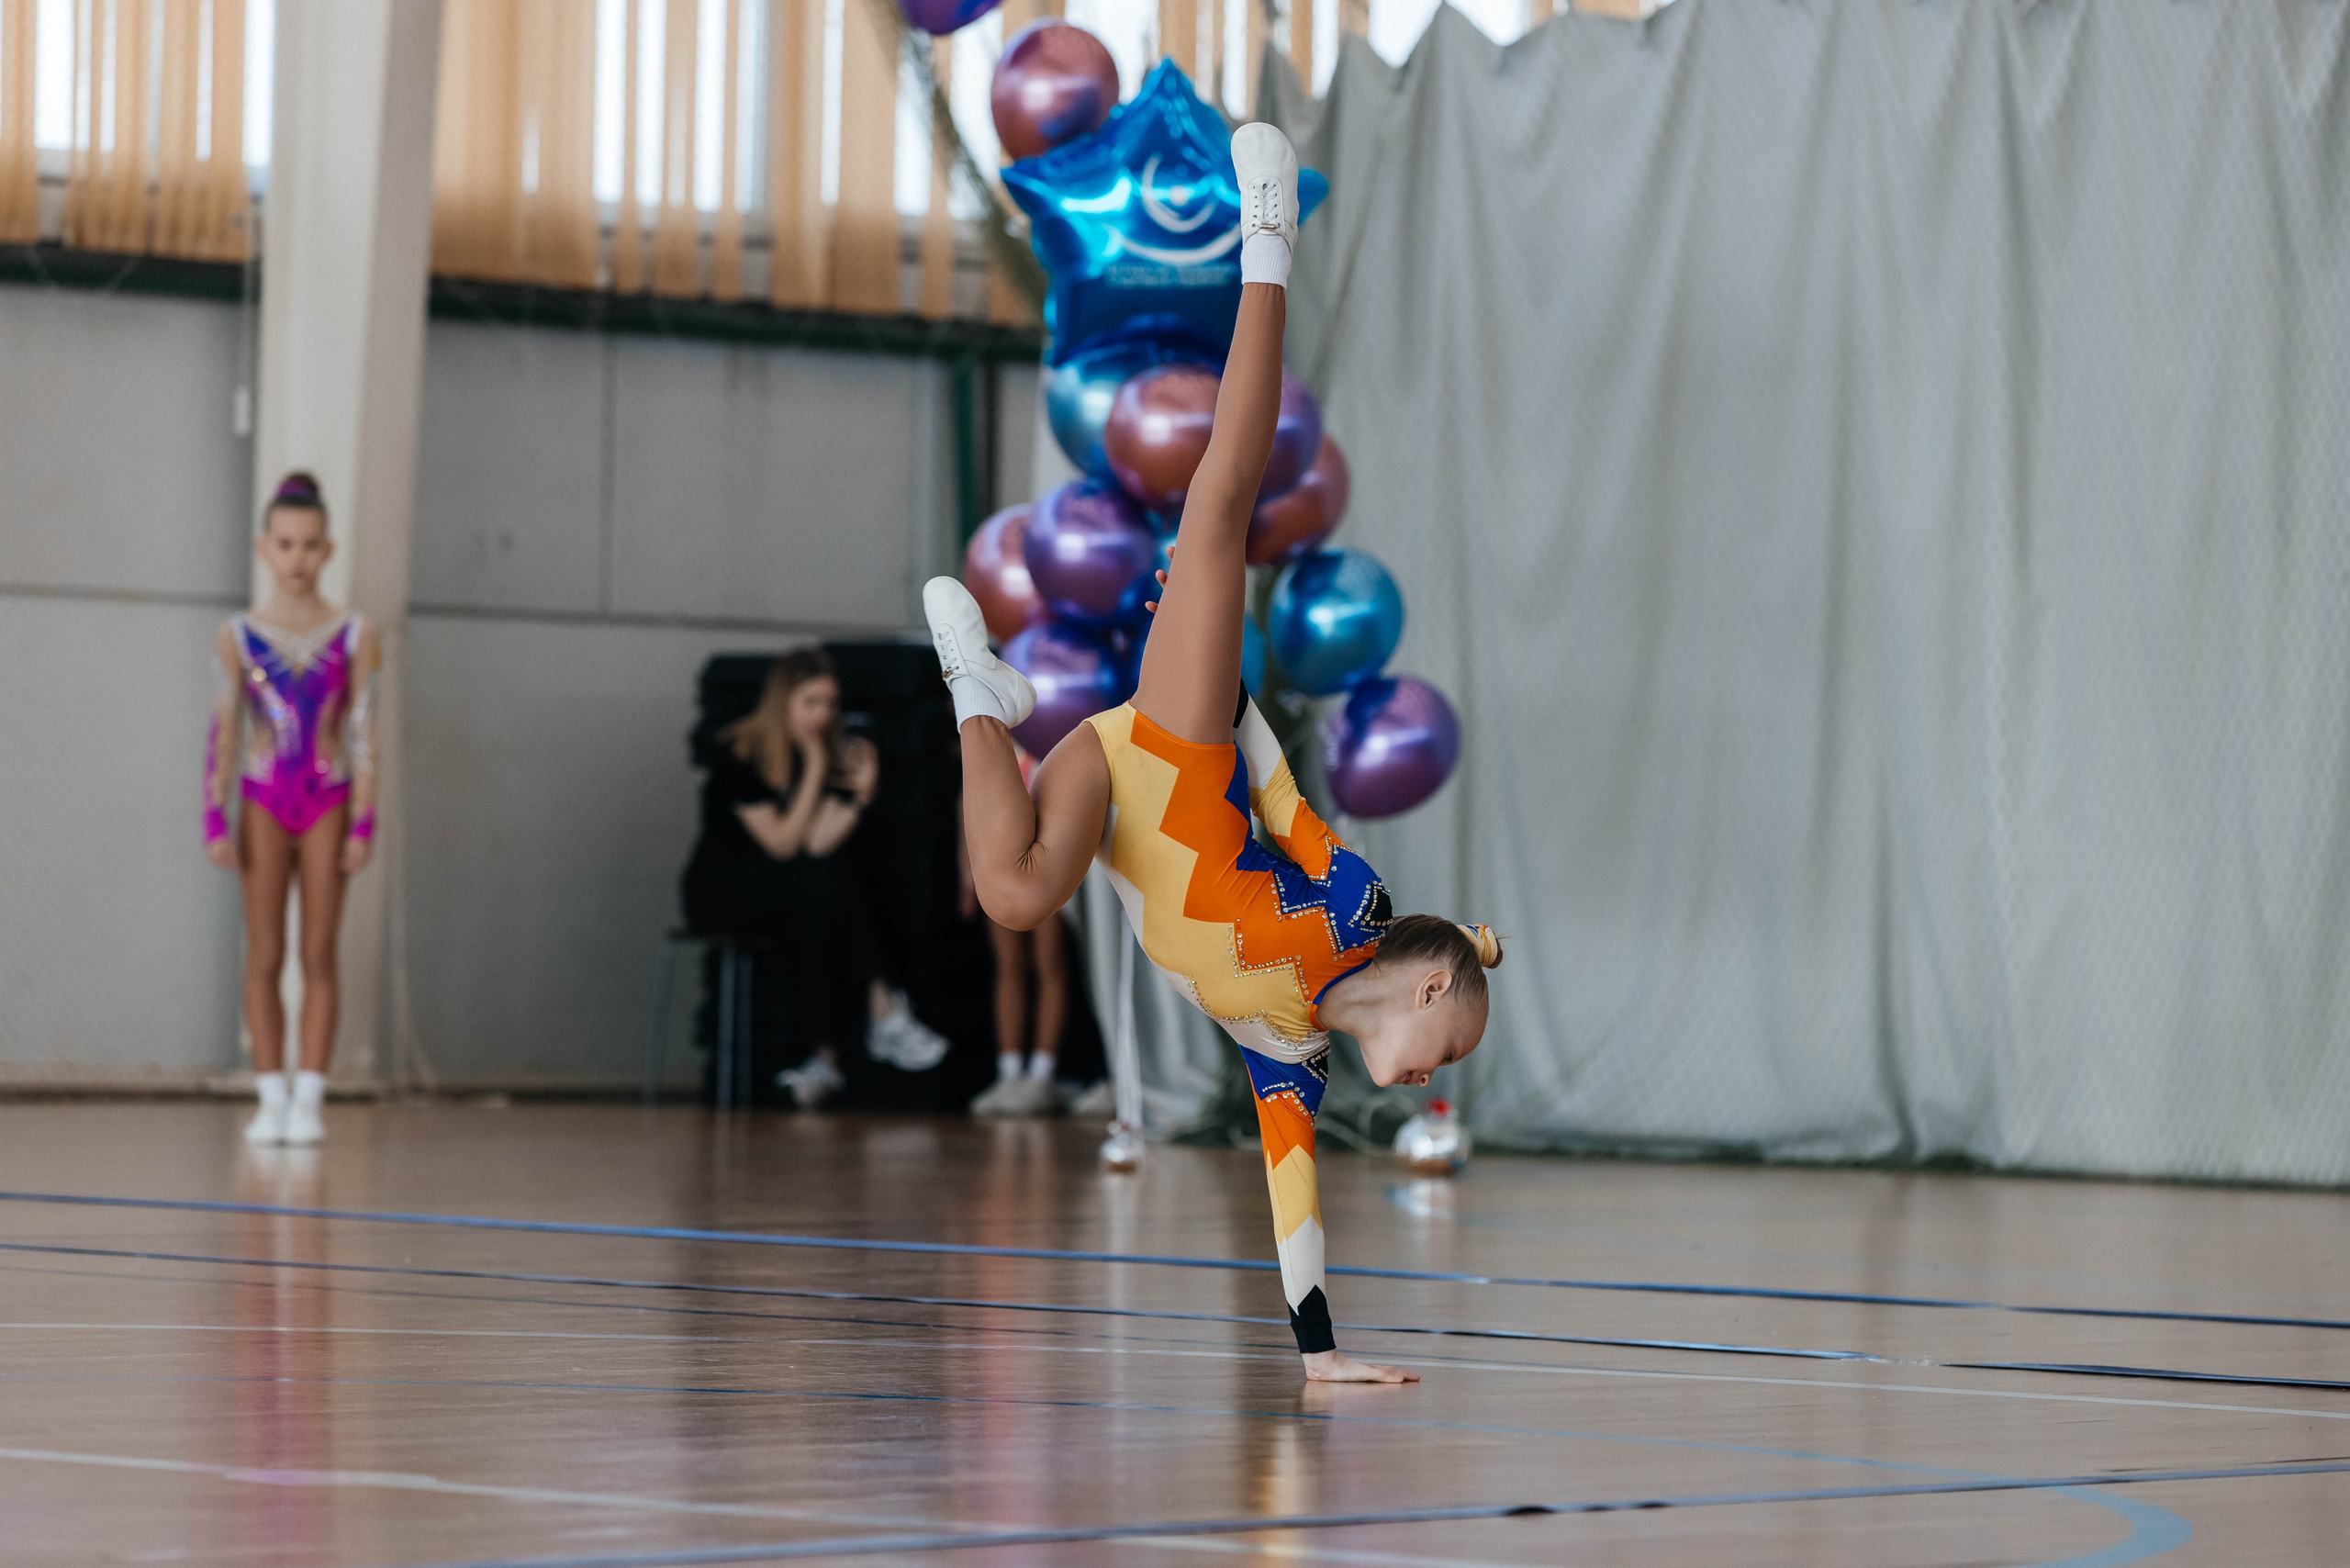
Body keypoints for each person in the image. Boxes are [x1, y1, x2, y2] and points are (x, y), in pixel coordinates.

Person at [926, 125, 1501, 1384]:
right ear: (1424, 987)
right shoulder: (1349, 903)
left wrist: (1321, 1358)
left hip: (1109, 800)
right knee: (1220, 509)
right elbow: (1284, 799)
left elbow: (1296, 1202)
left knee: (1017, 898)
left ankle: (980, 691)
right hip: (1178, 756)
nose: (1434, 1071)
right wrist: (1222, 683)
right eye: (1447, 1043)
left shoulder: (1286, 1051)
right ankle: (1266, 242)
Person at [681, 647, 946, 1108]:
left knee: (823, 895)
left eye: (830, 703)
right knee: (823, 885)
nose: (823, 715)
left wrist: (862, 795)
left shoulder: (820, 755)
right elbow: (783, 845)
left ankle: (823, 1059)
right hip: (721, 889)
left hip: (791, 892)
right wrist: (818, 768)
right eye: (811, 702)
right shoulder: (739, 754)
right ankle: (883, 1008)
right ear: (783, 701)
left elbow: (817, 844)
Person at [205, 472, 382, 1148]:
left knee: (317, 949)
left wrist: (364, 821)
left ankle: (310, 1095)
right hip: (263, 798)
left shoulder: (355, 633)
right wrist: (213, 816)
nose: (298, 558)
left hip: (327, 796)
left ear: (328, 550)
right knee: (265, 949)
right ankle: (269, 1093)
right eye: (286, 544)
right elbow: (223, 730)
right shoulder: (240, 635)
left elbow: (363, 732)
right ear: (264, 549)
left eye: (310, 545)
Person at [960, 751, 1072, 1118]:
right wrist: (969, 872)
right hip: (999, 863)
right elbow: (971, 803)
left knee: (1049, 964)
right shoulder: (990, 739)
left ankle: (1041, 1075)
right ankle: (1009, 1074)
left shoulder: (1055, 743)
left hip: (1048, 862)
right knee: (1008, 967)